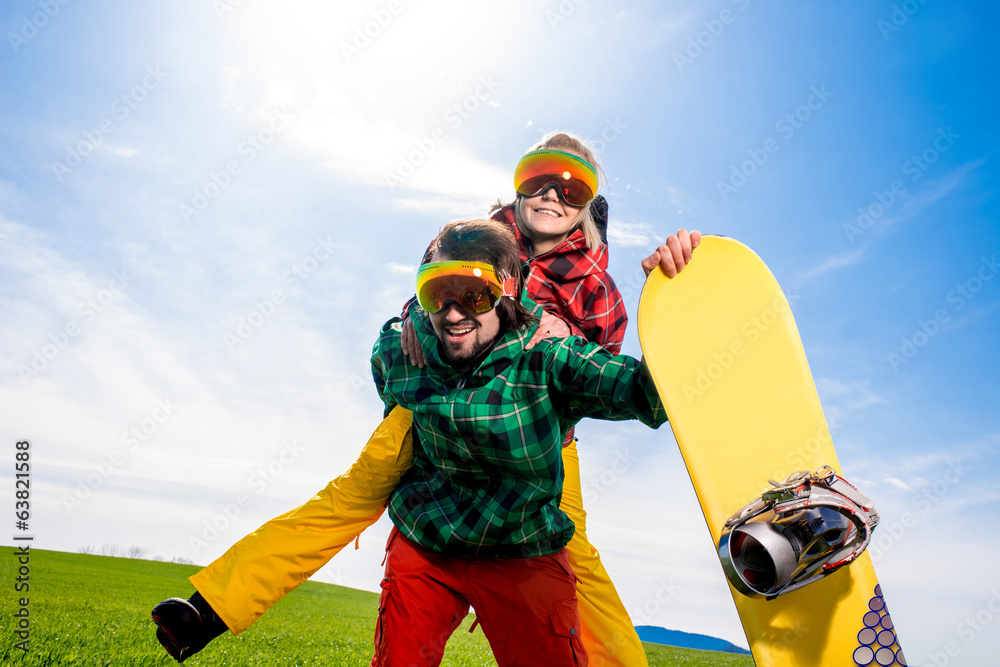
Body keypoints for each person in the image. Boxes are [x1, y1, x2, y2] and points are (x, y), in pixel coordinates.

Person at [151, 132, 700, 664]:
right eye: (539, 178)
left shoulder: (595, 286)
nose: (553, 194)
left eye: (572, 187)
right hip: (429, 412)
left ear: (588, 205)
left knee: (573, 558)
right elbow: (425, 293)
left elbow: (599, 375)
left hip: (528, 438)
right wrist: (413, 317)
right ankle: (210, 609)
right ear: (518, 187)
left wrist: (680, 298)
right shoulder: (471, 235)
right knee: (346, 500)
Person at [368, 217, 671, 663]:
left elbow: (647, 395)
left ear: (507, 290)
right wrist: (409, 318)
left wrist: (675, 301)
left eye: (474, 293)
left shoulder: (549, 360)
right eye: (437, 292)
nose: (453, 313)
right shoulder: (398, 354)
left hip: (522, 551)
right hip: (427, 539)